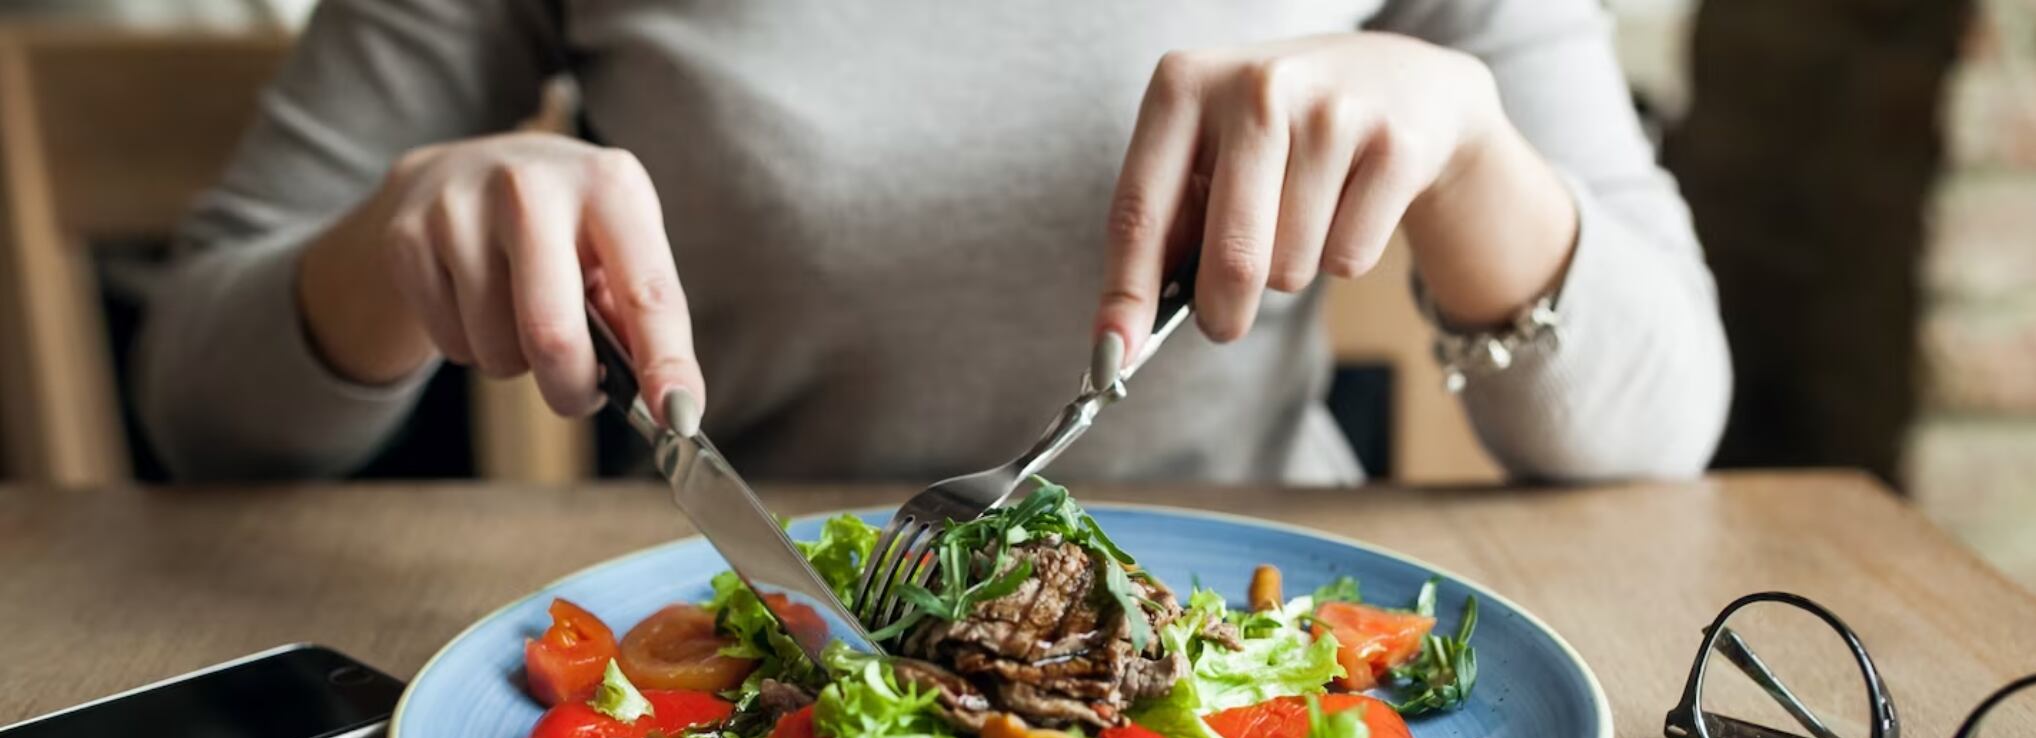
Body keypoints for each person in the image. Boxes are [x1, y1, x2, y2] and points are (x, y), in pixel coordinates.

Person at [136, 0, 1730, 484]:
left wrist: (1471, 153)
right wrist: (392, 245)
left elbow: (1665, 423)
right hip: (730, 676)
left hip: (1264, 678)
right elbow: (196, 395)